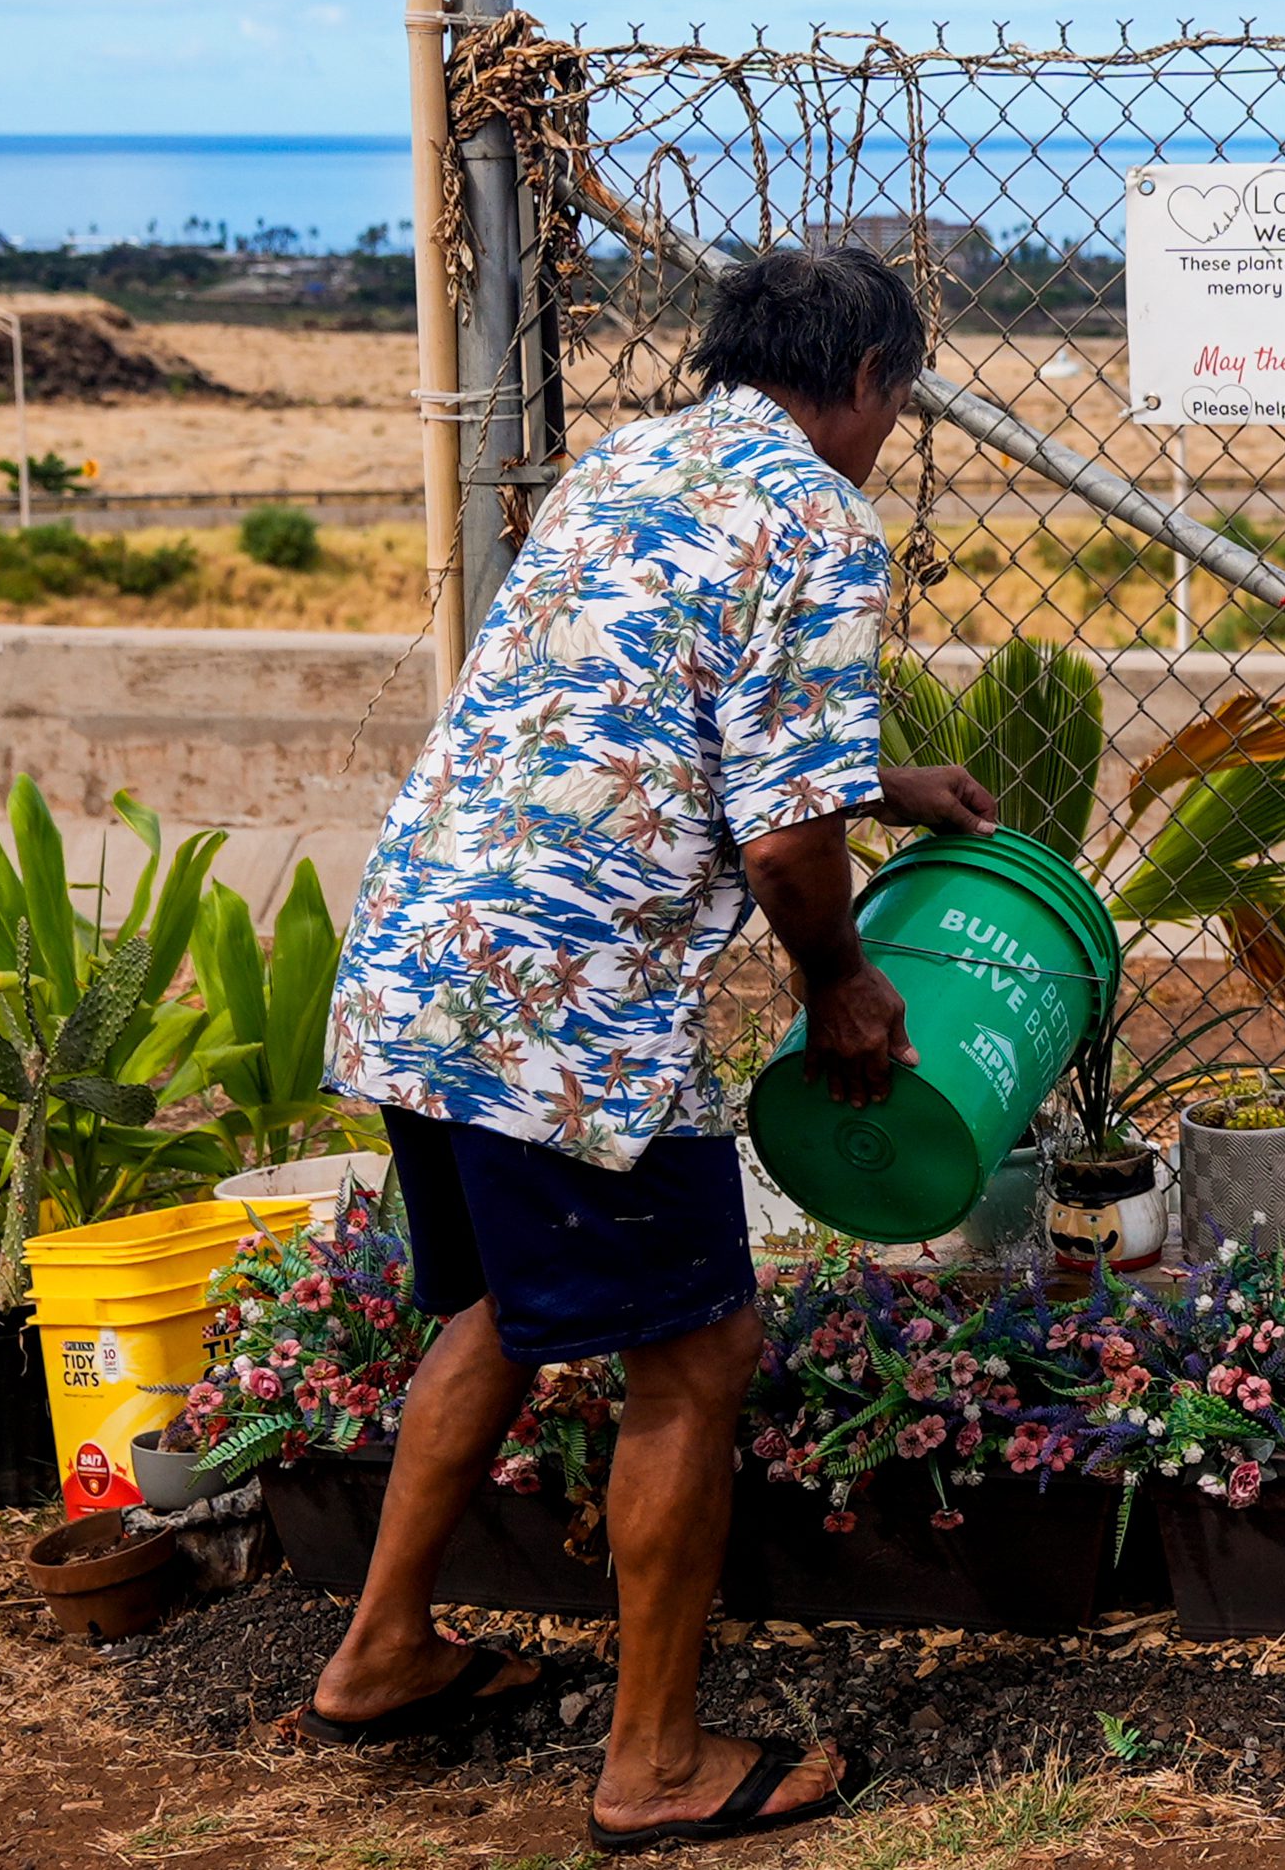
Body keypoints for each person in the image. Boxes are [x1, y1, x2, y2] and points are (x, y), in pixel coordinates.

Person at [305, 246, 997, 1851]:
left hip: (428, 954)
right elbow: (778, 845)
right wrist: (841, 978)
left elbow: (661, 698)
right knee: (694, 1354)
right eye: (901, 398)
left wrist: (888, 779)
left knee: (493, 1308)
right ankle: (656, 1765)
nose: (891, 429)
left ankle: (382, 1653)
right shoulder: (823, 514)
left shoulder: (632, 461)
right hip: (571, 1014)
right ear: (873, 381)